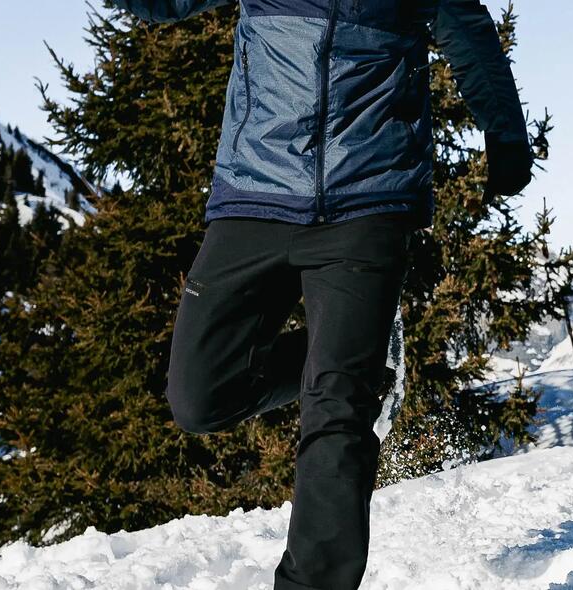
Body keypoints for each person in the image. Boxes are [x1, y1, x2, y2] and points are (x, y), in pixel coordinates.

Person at [106, 1, 534, 589]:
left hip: (369, 200)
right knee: (201, 396)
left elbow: (466, 30)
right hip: (256, 191)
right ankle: (361, 358)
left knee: (337, 409)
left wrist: (505, 133)